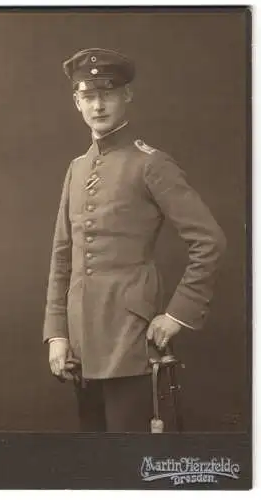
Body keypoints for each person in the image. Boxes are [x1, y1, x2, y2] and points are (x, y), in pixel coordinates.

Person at [43, 48, 226, 432]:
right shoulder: (76, 169)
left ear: (127, 96)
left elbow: (209, 241)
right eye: (88, 96)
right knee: (94, 464)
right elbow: (63, 258)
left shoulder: (151, 164)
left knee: (131, 464)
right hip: (80, 343)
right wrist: (57, 334)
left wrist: (177, 314)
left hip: (132, 340)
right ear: (76, 101)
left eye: (107, 94)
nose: (98, 105)